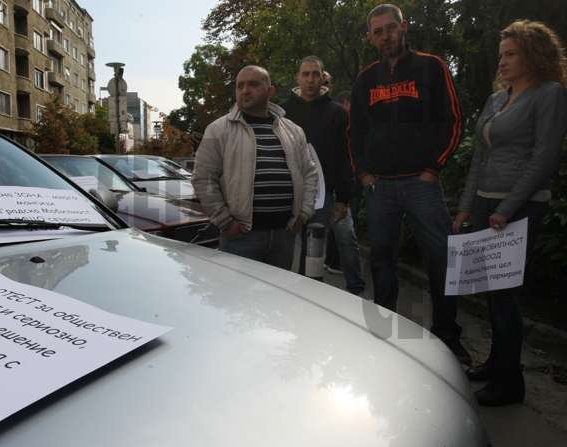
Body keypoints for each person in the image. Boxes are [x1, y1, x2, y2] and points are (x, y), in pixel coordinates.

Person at [452, 20, 567, 406]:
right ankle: (496, 363)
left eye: (511, 54)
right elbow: (480, 158)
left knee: (505, 295)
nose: (502, 61)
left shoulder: (549, 93)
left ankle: (510, 383)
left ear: (533, 55)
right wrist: (467, 206)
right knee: (491, 291)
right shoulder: (497, 99)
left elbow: (544, 157)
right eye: (501, 54)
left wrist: (506, 208)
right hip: (487, 204)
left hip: (520, 208)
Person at [348, 4, 470, 363]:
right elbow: (355, 132)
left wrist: (434, 167)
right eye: (378, 31)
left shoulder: (432, 67)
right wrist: (363, 174)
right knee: (382, 260)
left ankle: (447, 336)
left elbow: (453, 120)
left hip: (421, 183)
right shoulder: (366, 79)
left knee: (441, 259)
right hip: (380, 187)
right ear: (370, 37)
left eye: (391, 28)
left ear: (404, 27)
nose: (386, 36)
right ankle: (384, 334)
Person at [192, 65, 319, 269]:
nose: (245, 90)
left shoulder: (293, 131)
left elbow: (310, 173)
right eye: (240, 86)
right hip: (240, 238)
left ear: (270, 91)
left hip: (284, 235)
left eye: (253, 84)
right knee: (238, 290)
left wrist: (303, 214)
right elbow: (203, 178)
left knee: (277, 290)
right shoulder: (217, 130)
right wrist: (225, 222)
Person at [282, 56, 366, 295]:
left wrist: (344, 198)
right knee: (291, 248)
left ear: (322, 77)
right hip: (290, 193)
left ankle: (346, 293)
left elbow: (346, 156)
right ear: (298, 77)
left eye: (315, 74)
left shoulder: (338, 113)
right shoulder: (283, 111)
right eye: (305, 74)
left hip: (325, 194)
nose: (310, 79)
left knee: (330, 246)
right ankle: (292, 297)